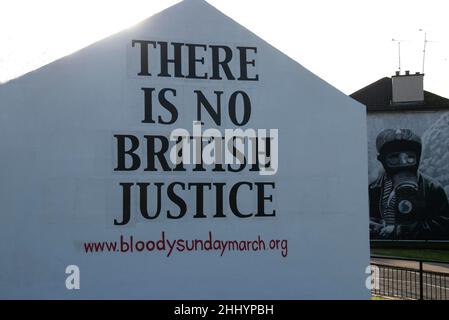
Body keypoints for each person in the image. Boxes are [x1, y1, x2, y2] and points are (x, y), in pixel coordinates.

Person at [369, 128, 449, 240]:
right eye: (394, 157)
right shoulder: (374, 189)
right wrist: (374, 226)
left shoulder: (432, 188)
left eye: (410, 157)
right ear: (382, 160)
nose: (403, 163)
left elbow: (443, 226)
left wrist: (400, 230)